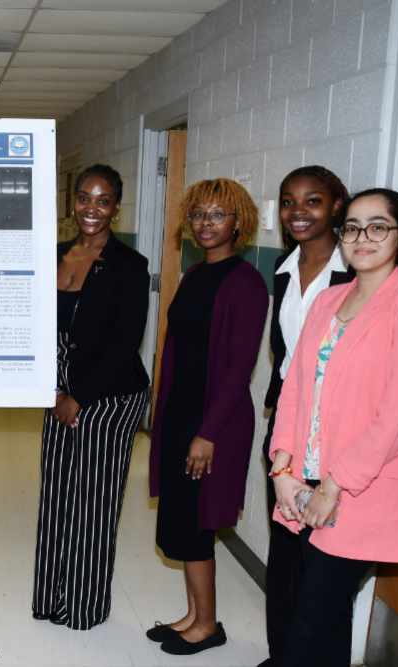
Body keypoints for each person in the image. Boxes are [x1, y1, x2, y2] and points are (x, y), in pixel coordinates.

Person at [270, 188, 398, 667]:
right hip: (304, 484)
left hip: (359, 490)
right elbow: (295, 386)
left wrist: (335, 485)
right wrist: (283, 466)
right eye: (352, 227)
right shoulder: (329, 299)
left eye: (378, 227)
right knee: (321, 615)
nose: (363, 237)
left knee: (311, 621)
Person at [147, 178, 269, 655]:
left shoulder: (246, 282)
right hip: (183, 414)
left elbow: (239, 369)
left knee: (198, 522)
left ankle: (208, 627)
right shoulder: (195, 275)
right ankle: (194, 615)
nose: (206, 224)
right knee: (182, 518)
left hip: (213, 423)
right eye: (199, 215)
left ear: (238, 222)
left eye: (218, 215)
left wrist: (207, 433)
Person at [33, 164, 150, 630]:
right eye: (84, 198)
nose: (92, 209)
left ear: (116, 208)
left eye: (103, 201)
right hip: (58, 387)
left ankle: (83, 606)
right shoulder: (54, 254)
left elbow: (125, 342)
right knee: (58, 494)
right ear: (72, 201)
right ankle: (51, 598)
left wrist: (77, 396)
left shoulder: (129, 265)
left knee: (94, 501)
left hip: (110, 393)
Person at [258, 166, 353, 667]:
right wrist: (277, 399)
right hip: (286, 429)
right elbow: (285, 349)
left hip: (335, 435)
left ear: (337, 206)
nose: (298, 211)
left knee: (324, 557)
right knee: (284, 547)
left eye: (312, 201)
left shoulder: (358, 272)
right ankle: (283, 654)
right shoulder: (282, 267)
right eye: (289, 201)